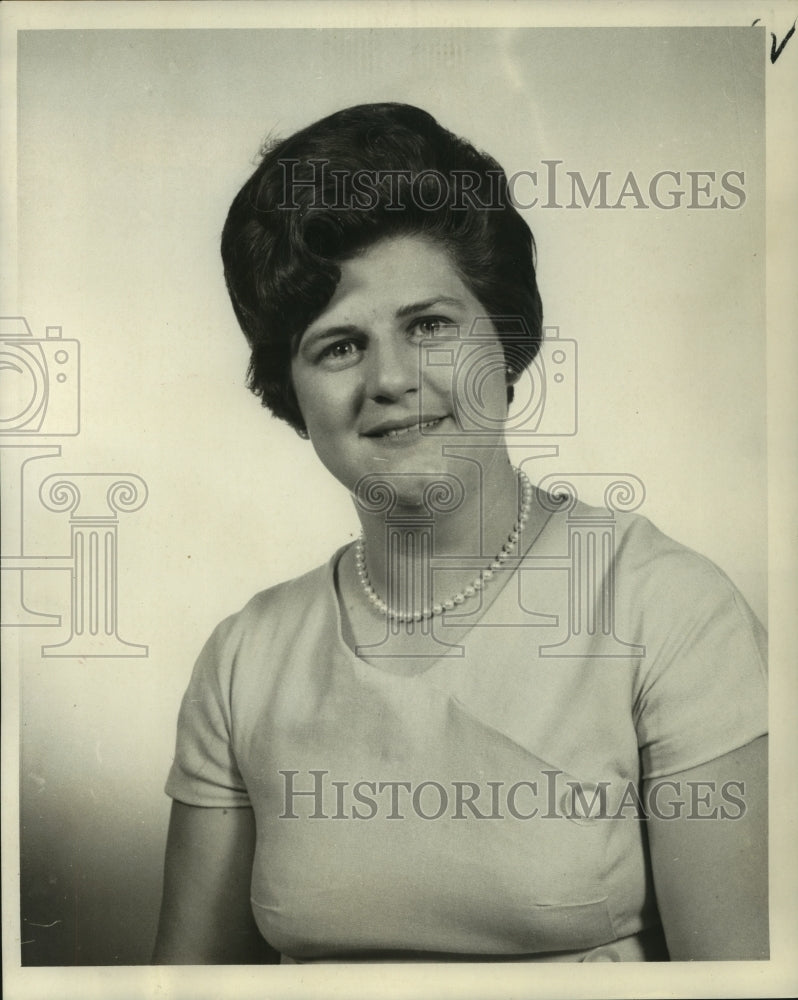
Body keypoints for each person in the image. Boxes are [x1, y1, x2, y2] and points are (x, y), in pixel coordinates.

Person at [152, 104, 768, 964]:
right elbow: (189, 990)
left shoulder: (668, 611)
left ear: (504, 338)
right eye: (338, 347)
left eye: (430, 326)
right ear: (291, 393)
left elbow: (739, 983)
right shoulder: (246, 658)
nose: (392, 378)